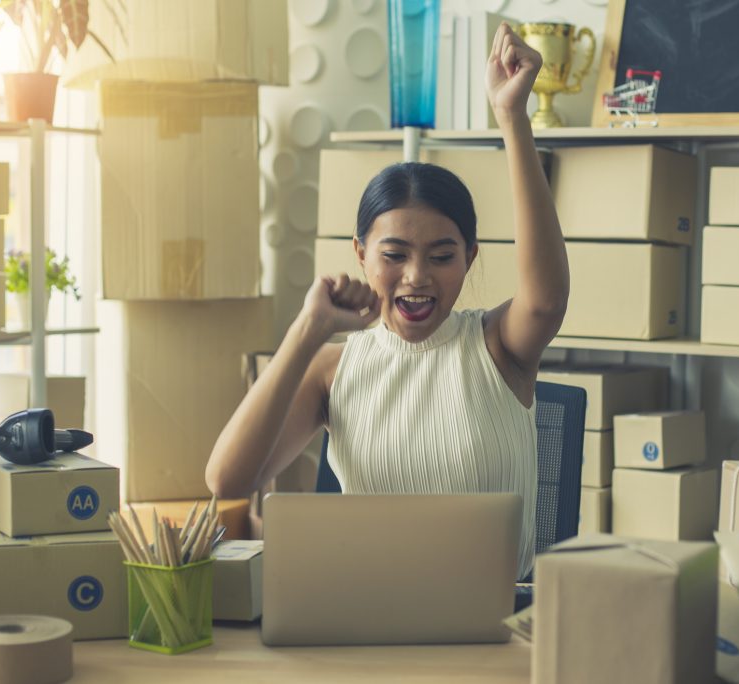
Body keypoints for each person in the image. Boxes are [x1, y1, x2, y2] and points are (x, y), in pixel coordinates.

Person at [206, 23, 569, 580]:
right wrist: (308, 329)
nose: (416, 277)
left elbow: (545, 299)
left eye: (442, 256)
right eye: (394, 254)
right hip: (365, 615)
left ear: (470, 258)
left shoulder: (499, 346)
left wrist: (512, 118)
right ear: (360, 253)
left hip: (490, 626)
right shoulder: (334, 369)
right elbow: (227, 481)